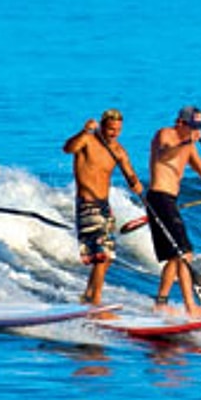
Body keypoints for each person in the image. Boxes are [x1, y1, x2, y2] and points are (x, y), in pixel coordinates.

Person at [146, 105, 201, 318]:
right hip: (159, 197)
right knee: (184, 253)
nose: (196, 131)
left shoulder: (189, 146)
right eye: (193, 126)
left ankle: (161, 302)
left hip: (170, 200)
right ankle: (190, 306)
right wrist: (187, 141)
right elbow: (165, 155)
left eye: (198, 127)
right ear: (180, 123)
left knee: (175, 255)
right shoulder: (165, 134)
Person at [62, 109, 143, 306]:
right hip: (87, 205)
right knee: (102, 256)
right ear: (102, 125)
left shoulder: (118, 150)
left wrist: (136, 184)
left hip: (105, 207)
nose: (114, 133)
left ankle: (88, 296)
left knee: (107, 258)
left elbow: (129, 173)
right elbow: (68, 148)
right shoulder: (87, 141)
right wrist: (84, 131)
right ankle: (95, 303)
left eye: (118, 130)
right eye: (110, 129)